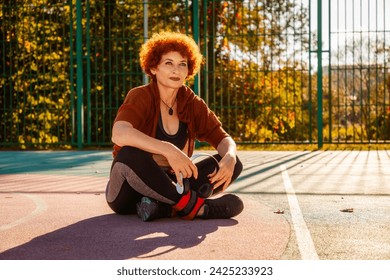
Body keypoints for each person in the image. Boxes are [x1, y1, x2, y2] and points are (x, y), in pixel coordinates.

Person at [105, 31, 244, 221]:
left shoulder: (191, 103)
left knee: (232, 164)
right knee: (129, 154)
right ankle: (197, 208)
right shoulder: (141, 96)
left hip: (173, 183)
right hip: (129, 189)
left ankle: (164, 208)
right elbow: (119, 133)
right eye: (168, 63)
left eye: (182, 64)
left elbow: (222, 138)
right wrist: (168, 150)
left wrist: (229, 155)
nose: (176, 70)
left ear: (189, 70)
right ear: (154, 68)